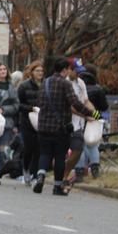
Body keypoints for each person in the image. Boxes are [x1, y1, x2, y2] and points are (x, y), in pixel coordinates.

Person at [34, 56, 97, 195]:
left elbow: (38, 101)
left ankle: (40, 176)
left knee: (45, 153)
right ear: (65, 70)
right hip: (60, 127)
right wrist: (94, 114)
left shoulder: (45, 82)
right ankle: (57, 187)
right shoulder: (65, 84)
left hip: (43, 125)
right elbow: (75, 103)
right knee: (60, 156)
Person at [74, 63, 107, 181]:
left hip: (77, 120)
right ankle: (95, 170)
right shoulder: (98, 89)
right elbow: (104, 106)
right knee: (93, 146)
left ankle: (79, 172)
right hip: (93, 120)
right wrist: (96, 116)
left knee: (79, 146)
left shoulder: (76, 86)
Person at [16, 61, 44, 185]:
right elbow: (18, 104)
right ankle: (26, 169)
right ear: (32, 72)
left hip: (42, 121)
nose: (40, 73)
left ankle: (34, 174)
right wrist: (30, 108)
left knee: (39, 148)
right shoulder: (24, 86)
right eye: (37, 71)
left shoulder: (46, 85)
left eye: (42, 71)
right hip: (27, 121)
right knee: (28, 147)